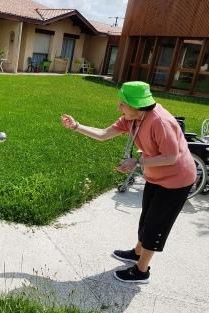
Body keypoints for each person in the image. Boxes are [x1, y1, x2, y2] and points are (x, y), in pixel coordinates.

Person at [61, 81, 196, 284]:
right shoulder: (132, 118)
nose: (119, 108)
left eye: (123, 104)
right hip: (156, 176)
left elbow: (171, 157)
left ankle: (141, 271)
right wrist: (77, 126)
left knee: (155, 225)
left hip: (177, 180)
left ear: (136, 105)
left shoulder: (160, 121)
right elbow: (104, 134)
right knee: (147, 218)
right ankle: (136, 252)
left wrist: (137, 162)